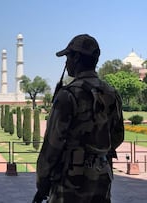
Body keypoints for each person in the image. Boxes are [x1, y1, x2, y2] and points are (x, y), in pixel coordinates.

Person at [33, 34, 124, 203]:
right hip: (101, 181)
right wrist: (95, 152)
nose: (66, 62)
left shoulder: (68, 95)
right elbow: (118, 136)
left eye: (68, 57)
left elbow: (52, 146)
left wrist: (42, 182)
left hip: (70, 184)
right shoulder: (111, 93)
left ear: (76, 58)